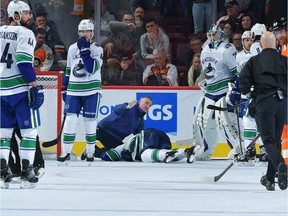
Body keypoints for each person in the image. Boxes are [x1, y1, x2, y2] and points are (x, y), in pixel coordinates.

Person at [0, 0, 44, 189]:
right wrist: (34, 85)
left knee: (3, 133)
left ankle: (3, 171)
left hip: (1, 90)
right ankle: (27, 171)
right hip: (20, 90)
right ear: (16, 15)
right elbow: (24, 64)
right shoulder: (25, 33)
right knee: (29, 132)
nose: (29, 17)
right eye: (26, 13)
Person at [239, 31, 287, 191]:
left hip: (265, 103)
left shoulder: (254, 61)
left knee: (268, 141)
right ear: (276, 44)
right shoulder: (285, 61)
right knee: (275, 139)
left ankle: (281, 165)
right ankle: (269, 179)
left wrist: (252, 95)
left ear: (260, 45)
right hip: (283, 104)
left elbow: (243, 84)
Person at [190, 24, 240, 161]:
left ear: (221, 34)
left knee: (224, 121)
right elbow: (207, 70)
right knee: (200, 120)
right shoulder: (205, 49)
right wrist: (205, 81)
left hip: (224, 90)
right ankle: (205, 148)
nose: (212, 37)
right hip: (210, 91)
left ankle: (238, 148)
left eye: (215, 34)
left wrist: (236, 89)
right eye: (210, 34)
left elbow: (236, 72)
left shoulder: (228, 49)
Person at [57, 19, 103, 163]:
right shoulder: (72, 48)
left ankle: (90, 152)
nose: (84, 34)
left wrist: (85, 51)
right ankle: (66, 152)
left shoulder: (97, 49)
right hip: (74, 90)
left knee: (90, 121)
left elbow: (91, 68)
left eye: (87, 31)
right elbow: (69, 69)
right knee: (70, 120)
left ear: (92, 33)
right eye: (82, 31)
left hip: (91, 90)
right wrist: (64, 87)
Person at [81, 96, 153, 160]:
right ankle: (92, 151)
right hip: (104, 131)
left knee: (120, 153)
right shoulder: (130, 107)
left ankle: (93, 150)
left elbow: (139, 134)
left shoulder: (140, 119)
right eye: (146, 103)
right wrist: (126, 107)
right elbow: (116, 109)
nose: (147, 106)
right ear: (140, 102)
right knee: (115, 153)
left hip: (115, 138)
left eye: (149, 105)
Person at [101, 128, 198, 163]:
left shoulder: (121, 148)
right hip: (161, 138)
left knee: (144, 155)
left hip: (150, 134)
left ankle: (165, 154)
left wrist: (98, 153)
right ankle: (186, 152)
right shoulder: (125, 148)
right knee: (168, 156)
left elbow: (108, 156)